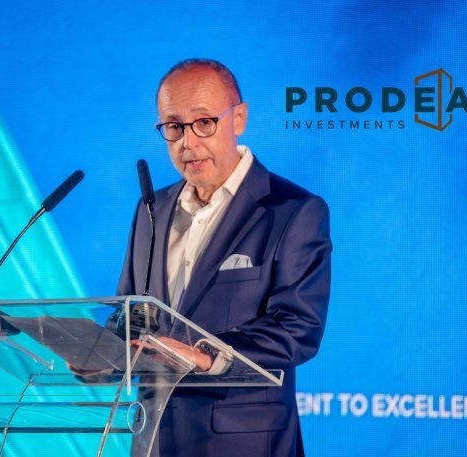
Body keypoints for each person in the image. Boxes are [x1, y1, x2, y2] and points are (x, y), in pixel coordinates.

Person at [117, 58, 332, 457]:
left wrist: (205, 355)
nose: (188, 142)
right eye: (174, 126)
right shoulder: (151, 208)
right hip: (154, 438)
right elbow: (130, 312)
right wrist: (99, 352)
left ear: (239, 119)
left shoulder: (293, 210)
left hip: (243, 440)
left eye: (204, 122)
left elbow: (298, 327)